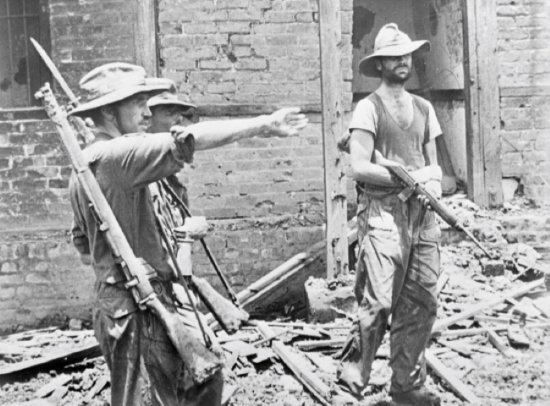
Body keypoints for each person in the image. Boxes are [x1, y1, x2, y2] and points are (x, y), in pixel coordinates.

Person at [67, 62, 308, 406]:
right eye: (138, 103)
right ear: (108, 111)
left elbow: (83, 247)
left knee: (197, 382)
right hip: (134, 306)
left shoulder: (85, 165)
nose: (147, 111)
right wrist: (265, 124)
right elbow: (188, 140)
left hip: (132, 299)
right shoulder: (115, 155)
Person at [336, 24, 443, 406]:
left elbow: (435, 167)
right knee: (378, 302)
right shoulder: (368, 108)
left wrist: (431, 183)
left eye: (406, 55)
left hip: (422, 215)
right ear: (379, 64)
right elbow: (360, 168)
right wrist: (409, 178)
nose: (402, 61)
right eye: (394, 57)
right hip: (383, 213)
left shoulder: (425, 109)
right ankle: (351, 380)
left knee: (422, 302)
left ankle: (406, 385)